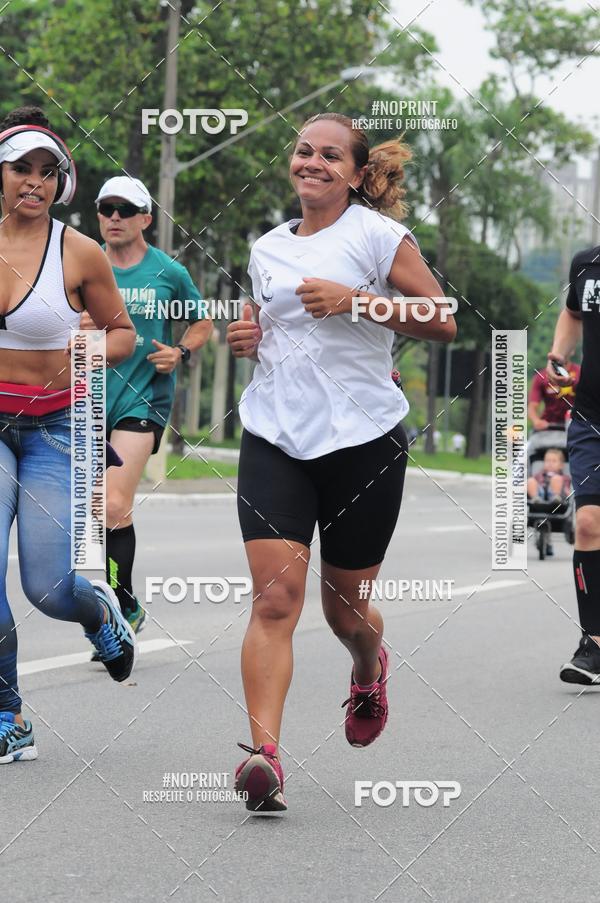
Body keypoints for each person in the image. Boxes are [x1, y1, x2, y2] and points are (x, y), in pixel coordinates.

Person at [227, 112, 456, 811]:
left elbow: (442, 316)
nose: (313, 162)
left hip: (364, 444)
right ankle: (264, 755)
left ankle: (367, 665)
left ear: (357, 174)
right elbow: (261, 321)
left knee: (343, 611)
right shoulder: (267, 247)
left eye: (331, 155)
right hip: (275, 436)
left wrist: (357, 301)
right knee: (275, 599)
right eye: (304, 151)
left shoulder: (378, 236)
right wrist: (247, 334)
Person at [0, 106, 137, 763]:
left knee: (48, 587)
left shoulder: (78, 252)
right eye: (20, 168)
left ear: (61, 182)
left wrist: (91, 349)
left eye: (46, 171)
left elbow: (123, 334)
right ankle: (10, 716)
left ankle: (99, 615)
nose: (34, 181)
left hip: (55, 428)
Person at [82, 176, 212, 650]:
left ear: (145, 218)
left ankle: (117, 611)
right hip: (87, 399)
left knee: (115, 503)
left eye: (125, 209)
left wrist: (180, 352)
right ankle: (127, 603)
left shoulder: (167, 271)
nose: (114, 217)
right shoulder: (81, 262)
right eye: (106, 208)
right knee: (94, 512)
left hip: (144, 399)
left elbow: (201, 321)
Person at [547, 244, 600, 683]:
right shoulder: (587, 262)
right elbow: (573, 312)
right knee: (586, 523)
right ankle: (594, 646)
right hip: (592, 415)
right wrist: (560, 353)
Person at [528, 359, 579, 431]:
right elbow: (532, 406)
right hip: (549, 426)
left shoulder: (580, 372)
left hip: (576, 425)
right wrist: (536, 421)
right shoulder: (540, 376)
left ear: (572, 351)